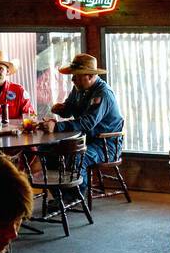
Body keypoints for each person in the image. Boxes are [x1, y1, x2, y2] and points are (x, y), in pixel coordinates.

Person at [43, 53, 123, 189]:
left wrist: (56, 128)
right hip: (85, 140)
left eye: (77, 75)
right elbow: (69, 109)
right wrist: (60, 109)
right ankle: (61, 194)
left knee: (77, 158)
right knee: (48, 150)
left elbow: (87, 123)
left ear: (90, 76)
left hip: (104, 144)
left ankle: (76, 195)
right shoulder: (79, 89)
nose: (73, 79)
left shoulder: (102, 94)